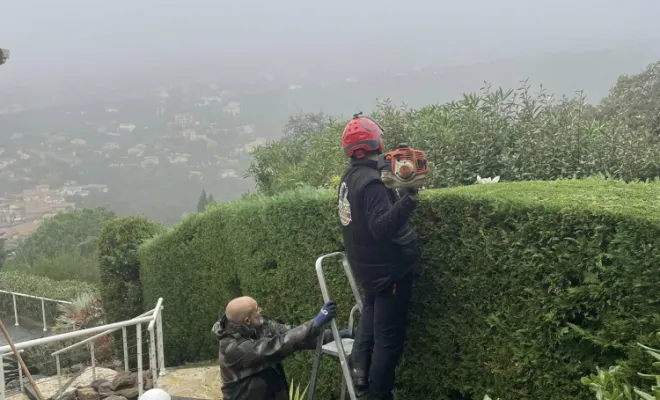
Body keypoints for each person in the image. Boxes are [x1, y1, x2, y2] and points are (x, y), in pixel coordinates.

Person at [337, 113, 421, 400]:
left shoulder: (350, 177)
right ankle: (377, 394)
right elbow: (381, 227)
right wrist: (409, 197)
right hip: (389, 273)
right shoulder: (371, 183)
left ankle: (359, 377)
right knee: (389, 341)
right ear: (375, 141)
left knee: (369, 319)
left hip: (370, 271)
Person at [212, 296, 351, 400]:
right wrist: (316, 322)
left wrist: (336, 335)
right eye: (257, 310)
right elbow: (278, 346)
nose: (261, 310)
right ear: (247, 320)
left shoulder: (259, 325)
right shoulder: (232, 348)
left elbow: (294, 335)